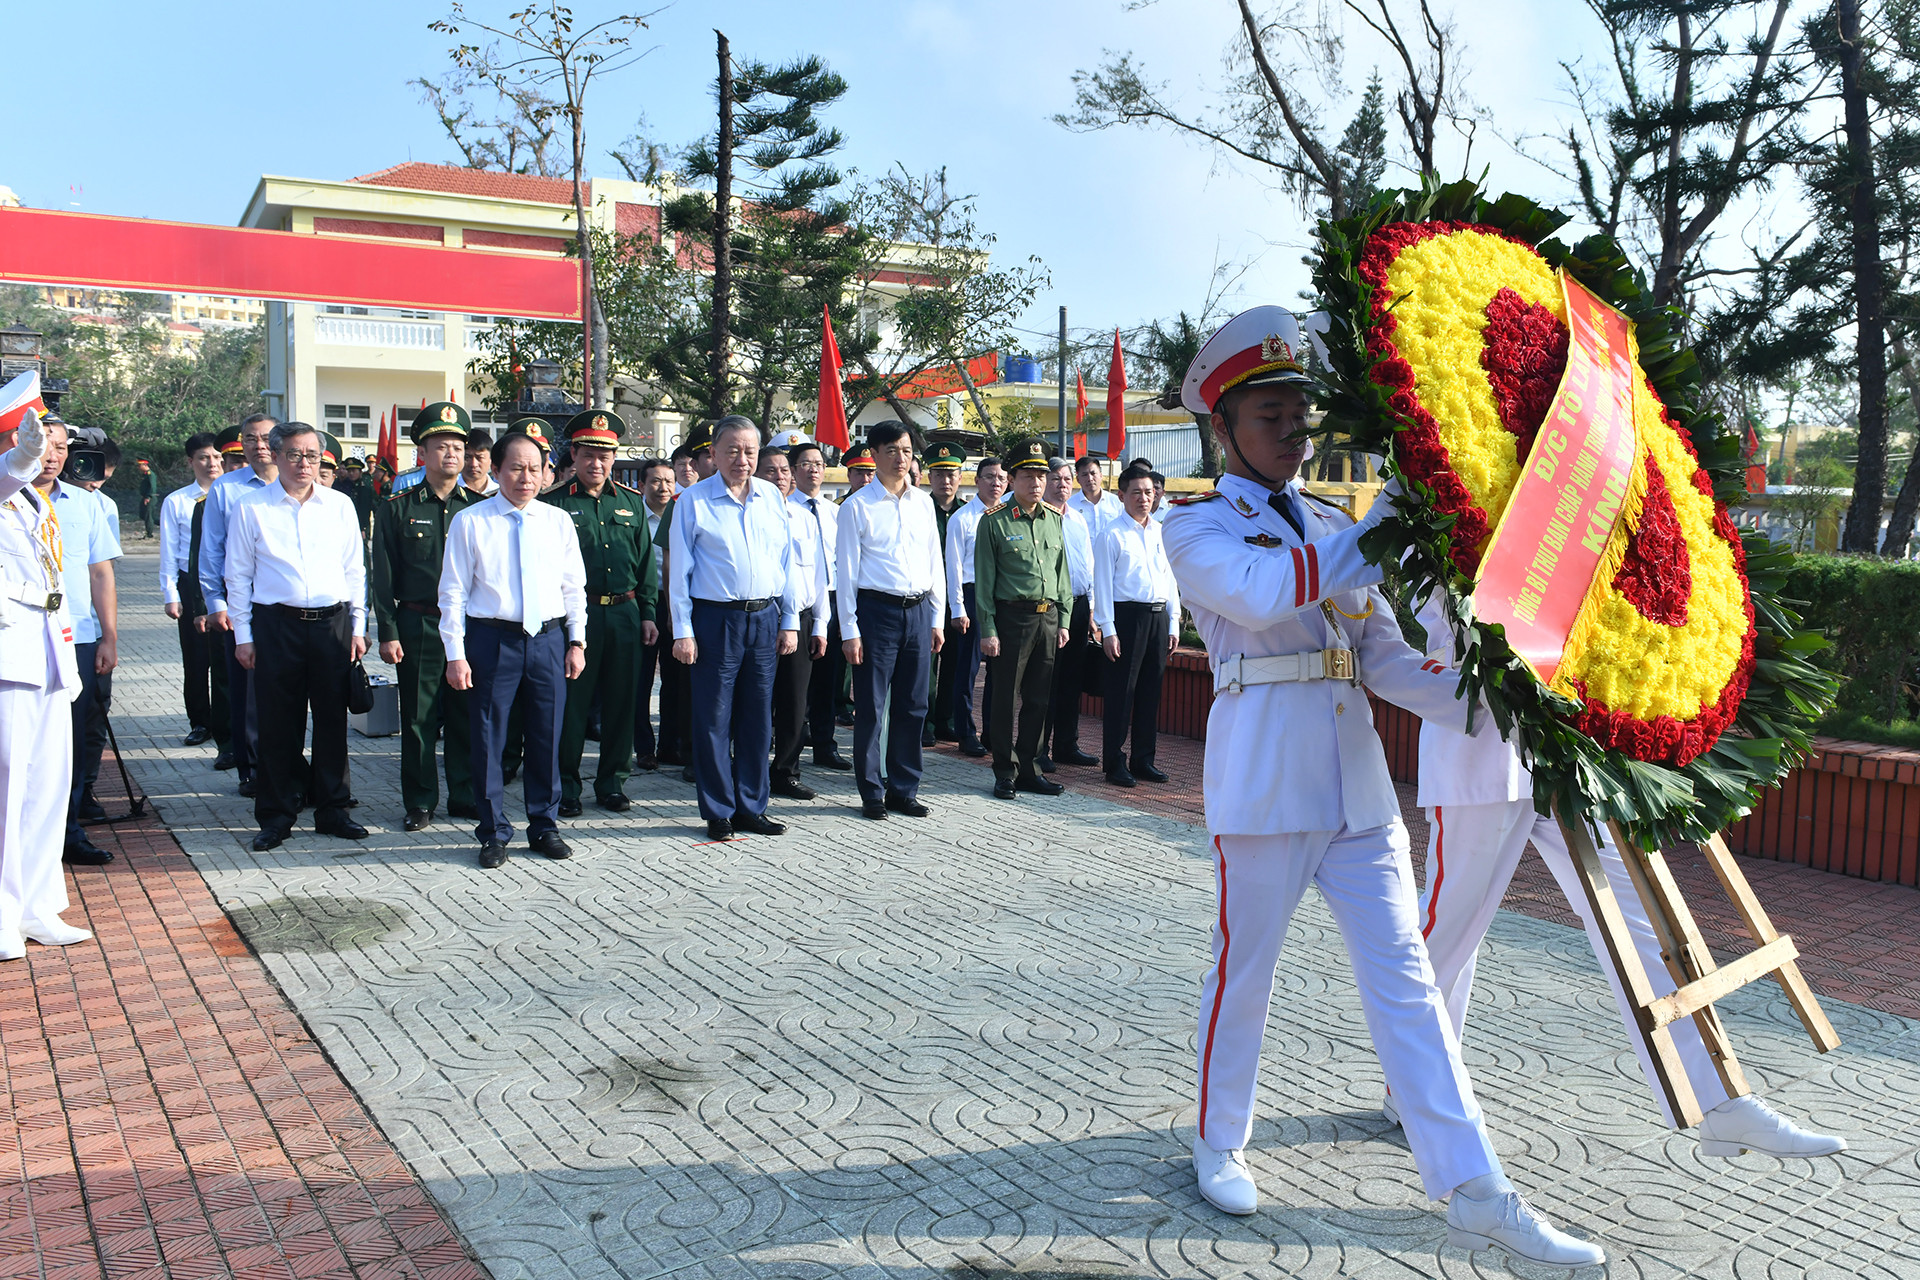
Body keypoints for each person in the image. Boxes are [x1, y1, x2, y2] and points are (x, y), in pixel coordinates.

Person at [1162, 305, 1602, 1267]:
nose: (1293, 433)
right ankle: (1219, 1140)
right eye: (1270, 417)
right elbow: (1265, 596)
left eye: (1300, 416)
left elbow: (1387, 659)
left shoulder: (1332, 523)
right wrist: (1387, 521)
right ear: (1222, 427)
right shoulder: (1196, 526)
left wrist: (1506, 710)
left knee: (1407, 980)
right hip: (1265, 782)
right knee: (1245, 971)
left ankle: (1473, 1185)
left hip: (1357, 787)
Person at [1404, 594, 1845, 1160]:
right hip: (1483, 747)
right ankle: (1414, 1089)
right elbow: (1437, 607)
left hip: (1568, 744)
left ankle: (1721, 1102)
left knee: (1641, 919)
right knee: (1449, 935)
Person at [440, 419, 586, 869]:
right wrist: (456, 654)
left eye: (534, 468)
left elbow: (573, 587)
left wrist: (577, 641)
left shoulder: (558, 521)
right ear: (496, 470)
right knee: (488, 738)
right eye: (516, 468)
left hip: (548, 640)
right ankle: (493, 831)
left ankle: (544, 825)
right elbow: (453, 592)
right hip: (492, 639)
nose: (526, 477)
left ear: (546, 471)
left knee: (547, 734)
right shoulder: (470, 521)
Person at [225, 422, 370, 852]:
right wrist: (243, 636)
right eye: (293, 454)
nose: (303, 463)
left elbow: (355, 570)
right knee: (278, 724)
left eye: (311, 455)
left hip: (332, 625)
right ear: (276, 456)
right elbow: (238, 575)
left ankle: (333, 809)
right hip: (276, 625)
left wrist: (358, 626)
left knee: (332, 721)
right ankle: (276, 815)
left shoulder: (339, 505)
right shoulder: (252, 507)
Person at [667, 416, 799, 841]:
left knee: (757, 718)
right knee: (714, 718)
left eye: (750, 451)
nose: (742, 459)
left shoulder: (771, 497)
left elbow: (786, 561)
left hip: (764, 617)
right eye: (732, 451)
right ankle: (719, 810)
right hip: (715, 619)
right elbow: (679, 571)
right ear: (714, 454)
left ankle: (752, 806)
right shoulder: (693, 500)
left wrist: (790, 620)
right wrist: (682, 630)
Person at [0, 407, 92, 958]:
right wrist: (21, 455)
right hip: (9, 653)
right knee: (8, 788)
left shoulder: (37, 502)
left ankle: (36, 906)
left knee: (48, 787)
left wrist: (70, 660)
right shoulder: (7, 485)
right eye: (35, 442)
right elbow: (6, 474)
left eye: (54, 446)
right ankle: (1, 913)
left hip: (49, 651)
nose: (47, 453)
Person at [373, 402, 480, 832]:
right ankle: (419, 800)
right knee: (419, 718)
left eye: (458, 447)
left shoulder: (480, 508)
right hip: (419, 623)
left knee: (465, 713)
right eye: (441, 446)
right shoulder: (397, 508)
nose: (451, 454)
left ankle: (465, 795)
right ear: (422, 453)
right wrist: (388, 630)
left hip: (470, 626)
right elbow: (382, 576)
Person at [549, 410, 658, 816]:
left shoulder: (630, 502)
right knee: (572, 705)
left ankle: (613, 782)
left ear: (614, 458)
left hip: (625, 614)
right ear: (574, 456)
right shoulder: (554, 503)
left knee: (622, 703)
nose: (597, 463)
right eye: (589, 455)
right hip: (576, 617)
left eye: (605, 456)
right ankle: (567, 786)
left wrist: (648, 613)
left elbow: (645, 565)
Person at [835, 421, 945, 821]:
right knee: (871, 707)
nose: (902, 458)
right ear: (875, 454)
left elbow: (935, 561)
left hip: (918, 611)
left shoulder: (923, 503)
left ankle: (904, 788)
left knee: (914, 704)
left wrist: (937, 618)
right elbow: (846, 573)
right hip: (875, 613)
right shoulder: (857, 507)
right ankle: (872, 792)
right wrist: (850, 630)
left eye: (907, 450)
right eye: (893, 450)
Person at [27, 418, 121, 865]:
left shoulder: (86, 505)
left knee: (71, 740)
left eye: (62, 447)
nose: (53, 455)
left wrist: (109, 637)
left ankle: (68, 833)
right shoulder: (8, 500)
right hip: (20, 638)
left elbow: (101, 574)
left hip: (77, 638)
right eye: (45, 445)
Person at [974, 440, 1071, 801]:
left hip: (1048, 618)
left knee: (1039, 699)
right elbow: (984, 582)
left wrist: (1064, 619)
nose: (1036, 483)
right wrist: (988, 629)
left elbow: (1062, 573)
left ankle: (1030, 768)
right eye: (1028, 476)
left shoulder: (1054, 519)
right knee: (1004, 698)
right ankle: (1004, 770)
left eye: (1041, 476)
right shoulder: (995, 521)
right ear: (1012, 479)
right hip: (1012, 619)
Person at [200, 412, 280, 798]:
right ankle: (251, 769)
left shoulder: (298, 481)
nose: (259, 445)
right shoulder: (226, 488)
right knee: (246, 690)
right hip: (242, 603)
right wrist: (215, 602)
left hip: (287, 603)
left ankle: (288, 766)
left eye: (266, 438)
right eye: (251, 438)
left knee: (287, 689)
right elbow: (211, 549)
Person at [1093, 466, 1180, 787]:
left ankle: (1144, 760)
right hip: (1126, 618)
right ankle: (1114, 762)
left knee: (1150, 692)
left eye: (1149, 492)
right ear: (1121, 496)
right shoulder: (1112, 534)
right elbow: (1102, 584)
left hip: (1158, 617)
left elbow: (1170, 579)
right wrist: (1108, 629)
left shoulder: (1161, 532)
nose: (1144, 498)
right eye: (1136, 492)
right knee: (1121, 694)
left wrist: (1173, 621)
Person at [759, 447, 830, 800]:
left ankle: (786, 771)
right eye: (770, 471)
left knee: (794, 701)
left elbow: (818, 575)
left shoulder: (804, 518)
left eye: (785, 470)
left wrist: (820, 624)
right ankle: (750, 770)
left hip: (799, 621)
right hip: (759, 616)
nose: (780, 477)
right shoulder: (751, 515)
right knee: (756, 699)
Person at [653, 425, 716, 778]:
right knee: (682, 682)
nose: (712, 461)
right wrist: (673, 612)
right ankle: (681, 747)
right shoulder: (681, 503)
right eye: (705, 455)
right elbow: (668, 561)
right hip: (687, 606)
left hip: (723, 608)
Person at [789, 439, 851, 772]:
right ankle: (792, 744)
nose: (813, 470)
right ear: (793, 470)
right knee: (798, 681)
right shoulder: (786, 510)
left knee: (829, 677)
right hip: (800, 603)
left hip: (832, 598)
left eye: (819, 464)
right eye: (806, 464)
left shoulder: (834, 512)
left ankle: (825, 745)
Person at [159, 433, 224, 748]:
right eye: (204, 457)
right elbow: (169, 550)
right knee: (197, 660)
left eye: (217, 457)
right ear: (191, 462)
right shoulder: (177, 501)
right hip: (191, 584)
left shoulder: (235, 495)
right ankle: (200, 722)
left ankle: (228, 722)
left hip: (228, 583)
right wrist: (171, 593)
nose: (212, 463)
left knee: (228, 658)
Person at [943, 455, 1006, 759]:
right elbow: (953, 566)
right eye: (989, 477)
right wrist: (958, 608)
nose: (996, 483)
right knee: (967, 670)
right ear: (977, 480)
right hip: (972, 595)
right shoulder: (963, 518)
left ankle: (993, 732)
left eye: (1001, 478)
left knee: (999, 670)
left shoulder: (1010, 515)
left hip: (1003, 597)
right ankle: (965, 732)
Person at [1042, 458, 1099, 772]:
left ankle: (1067, 744)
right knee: (1046, 680)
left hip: (1078, 606)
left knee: (1072, 679)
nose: (1062, 484)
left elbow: (1088, 564)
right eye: (1055, 479)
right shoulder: (1037, 517)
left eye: (1066, 479)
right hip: (1049, 608)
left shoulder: (1077, 519)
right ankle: (1039, 747)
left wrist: (1091, 607)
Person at [632, 455, 675, 771]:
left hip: (675, 603)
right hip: (643, 604)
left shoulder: (681, 513)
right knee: (642, 679)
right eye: (656, 481)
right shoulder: (634, 517)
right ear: (642, 485)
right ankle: (644, 747)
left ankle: (671, 745)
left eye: (669, 481)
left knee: (675, 679)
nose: (663, 487)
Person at [923, 442, 968, 746]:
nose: (945, 480)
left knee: (954, 661)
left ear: (960, 477)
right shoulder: (920, 509)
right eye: (939, 474)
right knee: (926, 664)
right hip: (928, 596)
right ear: (929, 477)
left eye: (951, 474)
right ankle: (924, 722)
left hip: (958, 597)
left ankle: (946, 721)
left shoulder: (968, 513)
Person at [1068, 453, 1124, 545]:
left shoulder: (1117, 503)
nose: (1090, 478)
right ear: (1078, 479)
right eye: (1084, 475)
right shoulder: (1070, 505)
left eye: (1093, 473)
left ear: (1101, 475)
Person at [461, 430, 497, 496]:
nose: (473, 464)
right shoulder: (449, 492)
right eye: (467, 457)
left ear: (491, 459)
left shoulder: (500, 493)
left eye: (480, 457)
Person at [136, 457, 157, 539]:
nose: (139, 468)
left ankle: (149, 534)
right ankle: (159, 523)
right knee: (143, 515)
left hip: (150, 497)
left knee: (148, 516)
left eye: (140, 465)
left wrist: (148, 497)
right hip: (145, 497)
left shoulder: (150, 475)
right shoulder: (145, 475)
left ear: (145, 465)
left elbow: (152, 487)